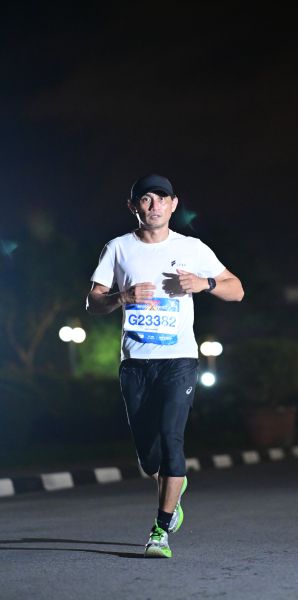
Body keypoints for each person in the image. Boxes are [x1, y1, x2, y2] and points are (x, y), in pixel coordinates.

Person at [86, 173, 244, 558]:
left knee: (172, 438)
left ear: (174, 204)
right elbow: (93, 302)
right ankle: (175, 486)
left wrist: (205, 284)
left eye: (162, 198)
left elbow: (237, 290)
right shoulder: (118, 248)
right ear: (133, 206)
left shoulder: (191, 248)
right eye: (146, 199)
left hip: (179, 361)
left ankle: (160, 529)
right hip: (135, 364)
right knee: (149, 457)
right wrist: (122, 297)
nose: (154, 205)